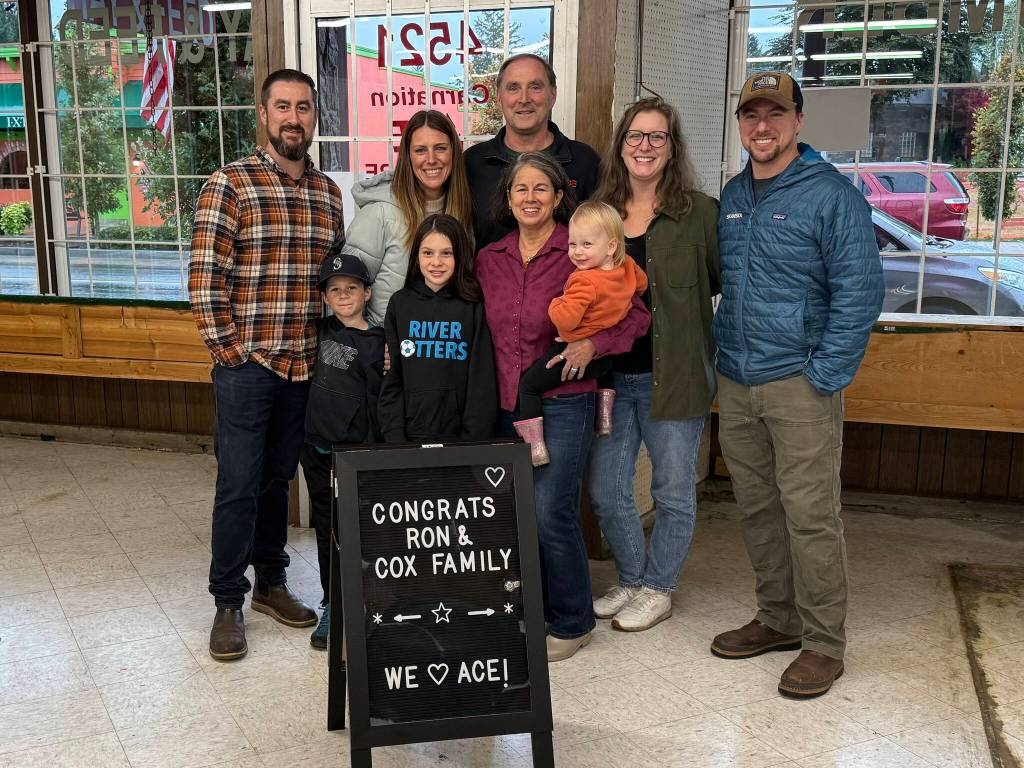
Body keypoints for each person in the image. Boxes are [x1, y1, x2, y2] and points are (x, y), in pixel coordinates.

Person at [710, 71, 883, 698]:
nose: (762, 126)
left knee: (810, 516)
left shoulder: (833, 196)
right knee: (757, 508)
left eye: (775, 115)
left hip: (799, 382)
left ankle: (823, 643)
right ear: (741, 124)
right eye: (751, 115)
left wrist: (823, 376)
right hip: (737, 378)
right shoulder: (732, 195)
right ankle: (778, 619)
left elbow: (860, 293)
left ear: (798, 123)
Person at [189, 69, 341, 661]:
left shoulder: (328, 194)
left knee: (280, 480)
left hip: (306, 367)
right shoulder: (231, 183)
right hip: (249, 366)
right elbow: (205, 281)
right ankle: (228, 601)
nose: (294, 118)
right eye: (283, 107)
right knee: (238, 485)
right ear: (263, 113)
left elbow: (334, 283)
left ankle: (271, 584)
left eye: (303, 107)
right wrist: (232, 354)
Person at [475, 152, 649, 662]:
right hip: (505, 402)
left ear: (557, 196)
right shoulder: (490, 257)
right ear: (507, 199)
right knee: (512, 515)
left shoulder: (580, 253)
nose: (530, 198)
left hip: (564, 402)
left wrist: (595, 345)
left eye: (540, 189)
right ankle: (530, 610)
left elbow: (637, 318)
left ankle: (572, 621)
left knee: (551, 510)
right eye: (519, 189)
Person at [587, 98, 722, 633]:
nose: (644, 146)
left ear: (672, 147)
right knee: (607, 490)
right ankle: (632, 577)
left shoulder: (700, 213)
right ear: (621, 144)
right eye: (635, 136)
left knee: (671, 491)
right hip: (610, 381)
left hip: (677, 378)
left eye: (657, 137)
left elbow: (721, 285)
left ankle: (659, 587)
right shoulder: (600, 215)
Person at [514, 201, 647, 466]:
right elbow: (641, 286)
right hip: (605, 358)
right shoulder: (628, 267)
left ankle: (534, 448)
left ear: (611, 246)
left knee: (527, 387)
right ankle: (604, 417)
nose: (577, 253)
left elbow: (566, 318)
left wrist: (554, 304)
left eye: (587, 245)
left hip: (572, 351)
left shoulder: (583, 280)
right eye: (573, 245)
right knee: (606, 372)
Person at [300, 247, 385, 650]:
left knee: (366, 534)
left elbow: (379, 404)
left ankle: (370, 604)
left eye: (352, 287)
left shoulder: (378, 343)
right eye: (334, 290)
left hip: (357, 458)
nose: (343, 295)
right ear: (325, 296)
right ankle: (333, 603)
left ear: (367, 292)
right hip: (317, 450)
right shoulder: (316, 332)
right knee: (326, 529)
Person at [346, 110, 474, 325]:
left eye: (440, 148)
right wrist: (372, 343)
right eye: (420, 150)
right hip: (386, 351)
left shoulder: (463, 211)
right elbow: (347, 292)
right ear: (408, 156)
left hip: (443, 348)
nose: (431, 159)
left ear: (454, 152)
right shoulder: (380, 212)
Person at [378, 214, 497, 443]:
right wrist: (394, 438)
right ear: (416, 256)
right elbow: (392, 377)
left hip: (460, 438)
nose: (436, 262)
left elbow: (481, 381)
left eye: (447, 253)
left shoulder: (472, 306)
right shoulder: (400, 304)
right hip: (407, 437)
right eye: (428, 253)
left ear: (460, 256)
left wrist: (472, 440)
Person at [465, 54, 601, 248]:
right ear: (498, 98)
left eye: (535, 87)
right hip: (487, 277)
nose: (524, 98)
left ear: (552, 95)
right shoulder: (473, 163)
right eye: (513, 88)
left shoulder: (585, 162)